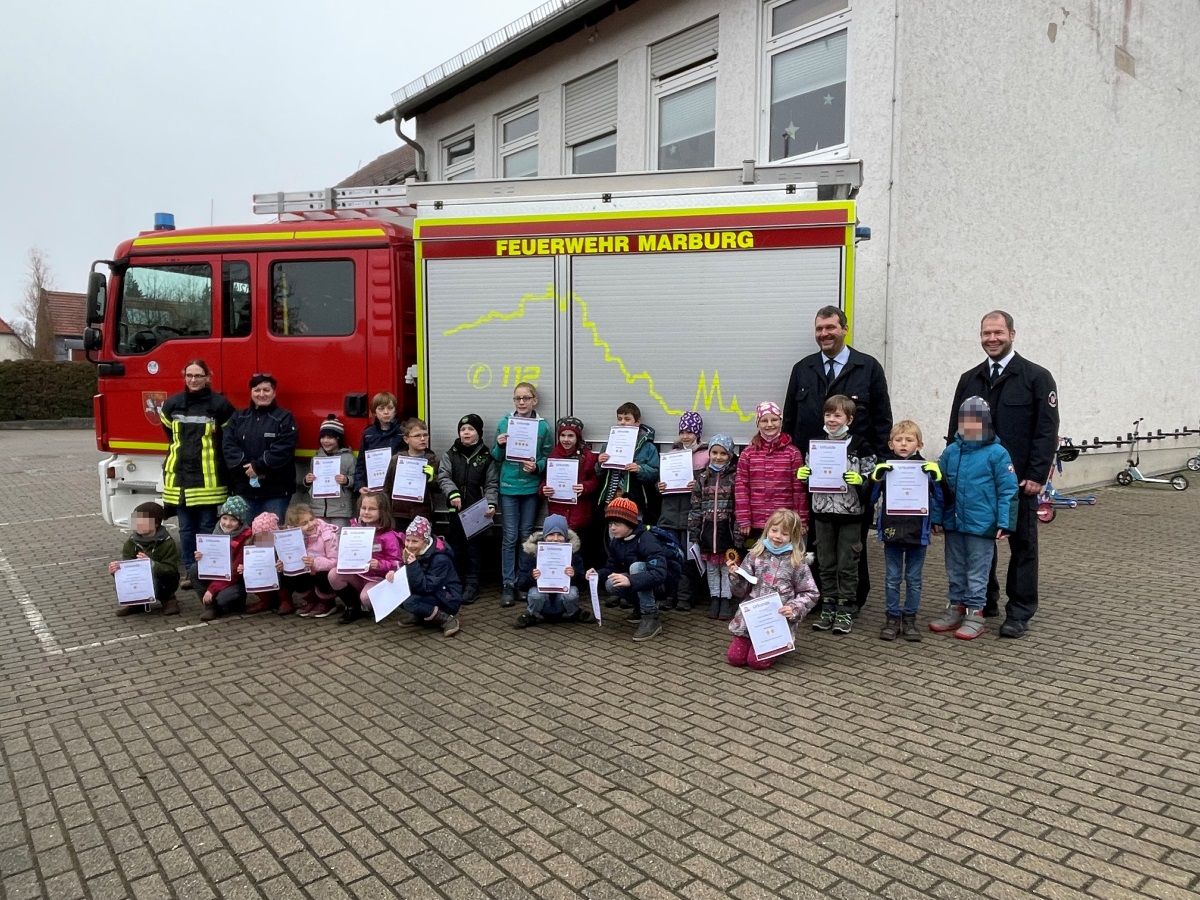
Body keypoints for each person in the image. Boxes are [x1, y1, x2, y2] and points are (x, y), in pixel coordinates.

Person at [947, 310, 1058, 638]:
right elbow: (955, 428)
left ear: (1012, 333)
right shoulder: (970, 379)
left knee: (1022, 545)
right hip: (977, 484)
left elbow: (1046, 430)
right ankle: (985, 601)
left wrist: (1037, 474)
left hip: (1018, 483)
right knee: (979, 542)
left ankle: (1020, 611)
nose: (992, 339)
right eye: (986, 333)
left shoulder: (1036, 377)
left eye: (998, 333)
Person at [782, 306, 893, 614]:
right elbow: (790, 420)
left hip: (855, 480)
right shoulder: (802, 369)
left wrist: (878, 474)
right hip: (815, 477)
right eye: (819, 328)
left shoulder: (868, 368)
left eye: (830, 327)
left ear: (844, 328)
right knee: (817, 541)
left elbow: (883, 421)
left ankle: (852, 599)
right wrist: (795, 464)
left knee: (853, 543)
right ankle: (819, 596)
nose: (824, 334)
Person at [930, 397, 1019, 640]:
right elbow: (940, 488)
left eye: (975, 420)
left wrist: (1005, 522)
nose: (969, 425)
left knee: (977, 570)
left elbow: (1008, 490)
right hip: (954, 522)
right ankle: (955, 607)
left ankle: (975, 612)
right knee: (955, 567)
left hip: (982, 525)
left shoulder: (997, 453)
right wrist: (936, 518)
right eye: (965, 420)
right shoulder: (950, 452)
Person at [797, 395, 876, 635]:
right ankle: (828, 607)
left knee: (848, 564)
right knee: (825, 563)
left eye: (838, 415)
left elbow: (875, 481)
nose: (832, 419)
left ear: (849, 419)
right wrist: (805, 478)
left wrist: (862, 480)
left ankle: (845, 610)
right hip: (822, 513)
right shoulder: (817, 445)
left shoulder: (861, 445)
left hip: (851, 514)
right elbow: (812, 480)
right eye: (828, 415)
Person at [159, 360, 236, 590]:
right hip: (179, 478)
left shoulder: (220, 405)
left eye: (198, 375)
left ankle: (207, 570)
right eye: (189, 375)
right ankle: (190, 571)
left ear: (207, 377)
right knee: (185, 529)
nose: (193, 380)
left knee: (207, 526)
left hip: (208, 479)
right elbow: (170, 435)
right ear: (184, 376)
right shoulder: (172, 404)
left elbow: (227, 439)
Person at [869, 421, 945, 642]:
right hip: (892, 532)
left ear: (919, 444)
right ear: (891, 444)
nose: (904, 444)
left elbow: (941, 500)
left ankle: (910, 618)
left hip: (917, 532)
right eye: (899, 440)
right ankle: (892, 618)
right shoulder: (886, 467)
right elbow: (872, 500)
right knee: (892, 578)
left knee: (914, 579)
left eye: (909, 440)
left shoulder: (926, 468)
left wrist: (938, 479)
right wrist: (876, 478)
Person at [725, 509, 820, 669]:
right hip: (751, 617)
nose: (777, 536)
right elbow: (741, 591)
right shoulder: (755, 555)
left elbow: (811, 593)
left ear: (793, 537)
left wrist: (794, 607)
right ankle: (751, 641)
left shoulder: (797, 562)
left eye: (784, 533)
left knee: (757, 663)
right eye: (774, 530)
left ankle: (777, 646)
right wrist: (736, 576)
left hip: (776, 619)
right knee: (735, 659)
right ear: (767, 530)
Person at [492, 382, 553, 607]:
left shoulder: (543, 427)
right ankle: (508, 584)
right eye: (518, 398)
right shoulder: (505, 422)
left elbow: (548, 455)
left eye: (526, 398)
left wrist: (537, 466)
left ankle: (523, 581)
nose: (522, 402)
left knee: (526, 535)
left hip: (530, 487)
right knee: (509, 536)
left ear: (534, 400)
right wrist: (499, 445)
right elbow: (496, 457)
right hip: (508, 486)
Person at [587, 497, 668, 642]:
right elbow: (611, 568)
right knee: (611, 582)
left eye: (616, 524)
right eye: (610, 524)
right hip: (641, 580)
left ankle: (651, 616)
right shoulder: (616, 542)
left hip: (663, 585)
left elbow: (659, 574)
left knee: (636, 567)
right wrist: (597, 574)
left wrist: (630, 580)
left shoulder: (647, 539)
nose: (612, 528)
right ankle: (639, 607)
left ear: (630, 522)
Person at [438, 413, 498, 605]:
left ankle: (472, 585)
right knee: (456, 548)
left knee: (474, 549)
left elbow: (491, 484)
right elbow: (443, 477)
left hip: (476, 513)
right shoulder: (450, 454)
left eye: (470, 429)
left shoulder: (487, 457)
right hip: (456, 511)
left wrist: (491, 504)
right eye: (463, 430)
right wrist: (452, 494)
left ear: (479, 433)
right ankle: (456, 582)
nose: (466, 433)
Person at [222, 374, 298, 522]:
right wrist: (248, 469)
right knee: (246, 536)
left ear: (274, 393)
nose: (261, 394)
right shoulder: (238, 417)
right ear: (251, 392)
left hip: (276, 492)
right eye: (257, 390)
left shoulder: (284, 417)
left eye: (266, 390)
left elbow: (285, 448)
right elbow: (228, 445)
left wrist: (258, 467)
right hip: (245, 490)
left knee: (270, 536)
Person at [734, 401, 809, 548]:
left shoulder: (792, 452)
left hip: (784, 522)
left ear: (781, 421)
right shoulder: (748, 453)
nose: (769, 424)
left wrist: (802, 520)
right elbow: (741, 487)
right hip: (756, 522)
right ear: (758, 423)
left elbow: (798, 490)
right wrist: (744, 519)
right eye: (764, 420)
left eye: (774, 420)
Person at [656, 412, 708, 612]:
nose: (685, 436)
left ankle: (685, 597)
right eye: (682, 432)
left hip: (690, 517)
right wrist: (658, 486)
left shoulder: (705, 455)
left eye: (690, 432)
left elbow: (710, 484)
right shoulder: (671, 454)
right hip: (669, 516)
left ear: (697, 433)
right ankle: (670, 596)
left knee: (688, 560)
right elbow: (660, 481)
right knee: (670, 557)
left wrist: (698, 483)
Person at [327, 492, 402, 624]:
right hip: (358, 575)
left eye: (372, 509)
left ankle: (370, 606)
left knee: (366, 597)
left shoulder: (388, 535)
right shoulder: (354, 529)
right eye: (363, 508)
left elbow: (397, 562)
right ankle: (352, 607)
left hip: (376, 578)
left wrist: (380, 564)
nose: (366, 512)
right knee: (333, 575)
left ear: (383, 511)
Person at [688, 434, 740, 620]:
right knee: (711, 568)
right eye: (714, 452)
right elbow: (695, 507)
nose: (718, 457)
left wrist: (738, 534)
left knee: (727, 567)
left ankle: (726, 599)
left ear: (730, 455)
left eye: (723, 453)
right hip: (707, 531)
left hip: (727, 531)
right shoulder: (703, 478)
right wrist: (694, 532)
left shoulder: (735, 477)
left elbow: (739, 507)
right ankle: (714, 598)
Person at [513, 513, 591, 628]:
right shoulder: (532, 553)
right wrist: (531, 576)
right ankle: (531, 614)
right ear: (544, 536)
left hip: (562, 600)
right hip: (543, 601)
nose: (555, 539)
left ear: (565, 536)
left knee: (572, 593)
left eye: (560, 535)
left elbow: (583, 585)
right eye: (551, 534)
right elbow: (520, 584)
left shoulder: (573, 554)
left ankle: (574, 612)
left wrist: (574, 575)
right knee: (535, 594)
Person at [388, 517, 462, 637]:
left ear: (425, 541)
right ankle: (421, 615)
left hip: (448, 598)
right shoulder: (415, 552)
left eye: (415, 541)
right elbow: (407, 576)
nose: (409, 545)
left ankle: (447, 619)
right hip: (433, 591)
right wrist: (394, 574)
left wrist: (412, 565)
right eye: (408, 540)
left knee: (410, 602)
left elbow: (425, 586)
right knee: (396, 593)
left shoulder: (440, 559)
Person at [110, 501, 181, 617]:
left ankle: (169, 599)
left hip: (164, 580)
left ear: (156, 523)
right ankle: (137, 603)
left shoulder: (167, 542)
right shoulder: (131, 542)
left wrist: (151, 563)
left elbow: (171, 569)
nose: (138, 524)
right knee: (123, 577)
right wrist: (117, 570)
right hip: (141, 579)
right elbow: (128, 570)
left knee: (165, 578)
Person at [596, 402, 660, 525]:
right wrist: (600, 463)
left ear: (637, 422)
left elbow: (655, 473)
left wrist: (640, 469)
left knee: (634, 531)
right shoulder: (609, 444)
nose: (622, 422)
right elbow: (599, 474)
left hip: (634, 501)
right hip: (611, 499)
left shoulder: (648, 447)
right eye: (619, 419)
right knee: (613, 532)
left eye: (627, 419)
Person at [190, 495, 252, 622]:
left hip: (236, 579)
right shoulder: (217, 531)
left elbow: (235, 571)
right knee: (195, 569)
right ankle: (210, 607)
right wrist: (201, 558)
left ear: (240, 522)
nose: (227, 523)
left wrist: (211, 590)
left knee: (226, 597)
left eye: (233, 520)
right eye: (224, 518)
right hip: (218, 575)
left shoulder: (247, 537)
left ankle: (229, 603)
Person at [540, 416, 601, 545]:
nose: (566, 440)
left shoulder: (588, 457)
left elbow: (595, 481)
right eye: (563, 435)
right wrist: (543, 489)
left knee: (579, 550)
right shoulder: (553, 456)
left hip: (580, 513)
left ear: (577, 437)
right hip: (557, 514)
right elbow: (544, 480)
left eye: (570, 436)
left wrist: (584, 487)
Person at [281, 503, 339, 619]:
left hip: (326, 572)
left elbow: (335, 561)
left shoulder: (328, 535)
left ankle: (327, 602)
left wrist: (315, 563)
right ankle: (311, 601)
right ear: (295, 527)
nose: (311, 524)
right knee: (288, 574)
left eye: (312, 519)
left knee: (321, 576)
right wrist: (284, 564)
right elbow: (290, 557)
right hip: (307, 571)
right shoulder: (291, 538)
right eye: (304, 524)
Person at [382, 418, 438, 532]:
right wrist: (386, 512)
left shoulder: (432, 460)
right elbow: (387, 487)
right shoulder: (396, 460)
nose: (423, 439)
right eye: (417, 436)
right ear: (406, 439)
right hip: (399, 514)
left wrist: (432, 478)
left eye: (425, 435)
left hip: (423, 513)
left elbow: (438, 489)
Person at [302, 415, 355, 527]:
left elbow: (356, 480)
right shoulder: (316, 458)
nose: (325, 441)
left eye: (330, 438)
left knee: (337, 538)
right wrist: (307, 481)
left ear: (338, 439)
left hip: (340, 510)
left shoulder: (348, 458)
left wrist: (346, 480)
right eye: (323, 437)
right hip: (318, 510)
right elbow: (310, 485)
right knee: (319, 538)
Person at [352, 391, 406, 496]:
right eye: (381, 409)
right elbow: (361, 463)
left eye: (390, 408)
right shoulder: (368, 434)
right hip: (375, 487)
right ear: (374, 412)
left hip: (398, 487)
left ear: (395, 411)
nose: (386, 412)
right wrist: (360, 485)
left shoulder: (403, 431)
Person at [241, 512, 288, 615]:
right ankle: (265, 601)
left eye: (266, 535)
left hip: (281, 579)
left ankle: (286, 601)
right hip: (263, 578)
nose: (263, 539)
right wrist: (244, 568)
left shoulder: (282, 546)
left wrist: (283, 564)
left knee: (282, 574)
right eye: (259, 536)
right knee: (250, 574)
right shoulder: (250, 547)